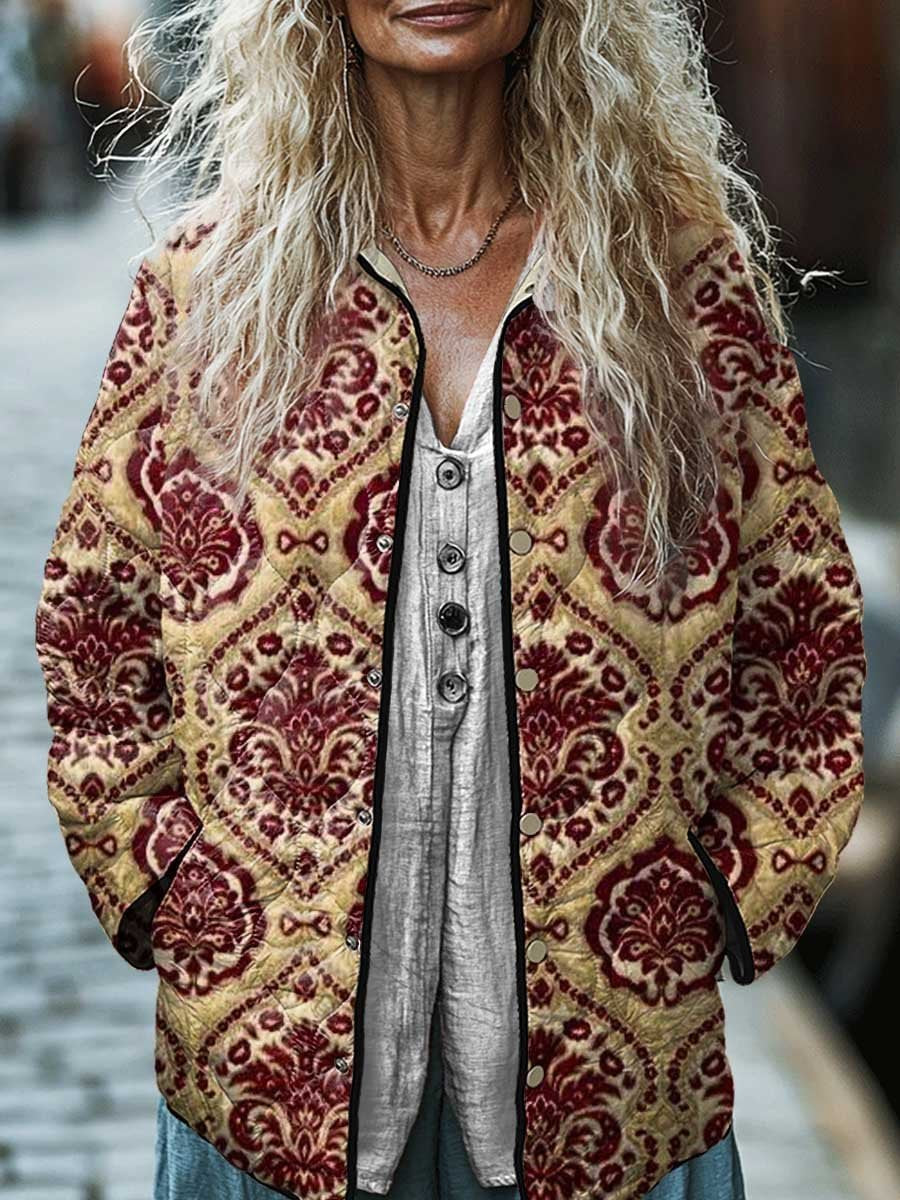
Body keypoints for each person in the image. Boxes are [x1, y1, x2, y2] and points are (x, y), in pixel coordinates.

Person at [33, 3, 866, 1200]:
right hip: (268, 1093)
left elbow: (804, 636)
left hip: (616, 1090)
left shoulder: (677, 286)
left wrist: (719, 901)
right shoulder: (205, 291)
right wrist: (179, 894)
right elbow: (96, 624)